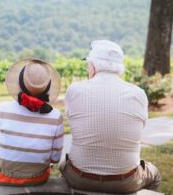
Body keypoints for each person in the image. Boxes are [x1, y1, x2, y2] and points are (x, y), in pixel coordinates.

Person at [59, 40, 161, 193]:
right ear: (119, 68)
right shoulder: (138, 93)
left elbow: (74, 121)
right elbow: (140, 127)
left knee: (62, 165)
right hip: (125, 181)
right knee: (155, 174)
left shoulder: (74, 90)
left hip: (79, 178)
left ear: (93, 66)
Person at [0, 58, 64, 186]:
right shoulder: (55, 116)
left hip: (0, 176)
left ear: (19, 83)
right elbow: (55, 159)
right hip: (38, 178)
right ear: (47, 87)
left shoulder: (3, 109)